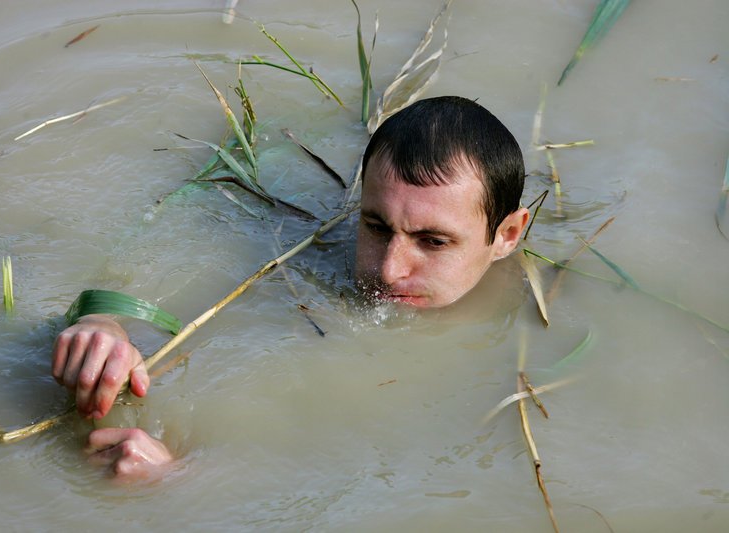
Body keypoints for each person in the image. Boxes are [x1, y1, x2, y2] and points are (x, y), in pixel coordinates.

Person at [51, 96, 529, 478]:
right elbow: (119, 275)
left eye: (433, 241)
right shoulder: (291, 253)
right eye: (377, 227)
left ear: (507, 235)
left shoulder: (528, 349)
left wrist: (181, 480)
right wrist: (101, 323)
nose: (388, 270)